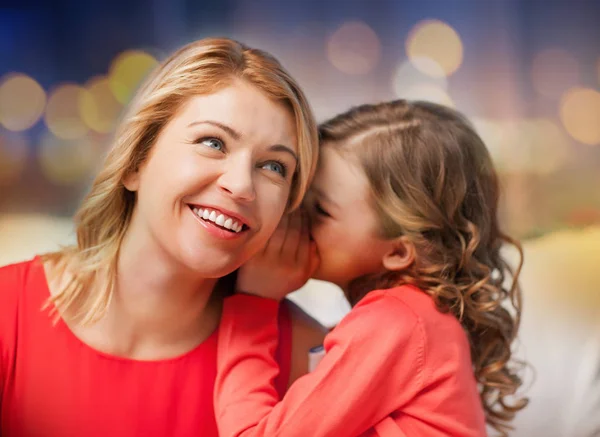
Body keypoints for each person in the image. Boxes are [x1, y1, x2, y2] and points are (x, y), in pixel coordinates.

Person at [0, 37, 326, 437]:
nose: (242, 186)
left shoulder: (307, 356)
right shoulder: (7, 313)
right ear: (136, 161)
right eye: (213, 143)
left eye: (274, 167)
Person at [215, 100, 528, 437]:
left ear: (398, 251)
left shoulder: (394, 322)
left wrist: (254, 301)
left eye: (320, 209)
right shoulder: (418, 320)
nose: (295, 214)